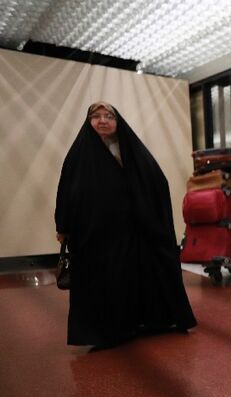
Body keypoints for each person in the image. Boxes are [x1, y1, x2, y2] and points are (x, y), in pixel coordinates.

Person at [54, 102, 196, 348]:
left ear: (117, 121)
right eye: (96, 116)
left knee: (142, 274)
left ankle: (150, 320)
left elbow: (157, 183)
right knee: (104, 280)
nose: (102, 120)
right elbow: (66, 191)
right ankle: (106, 332)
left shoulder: (131, 150)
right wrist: (63, 226)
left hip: (136, 231)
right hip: (96, 234)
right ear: (88, 122)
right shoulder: (78, 155)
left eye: (109, 116)